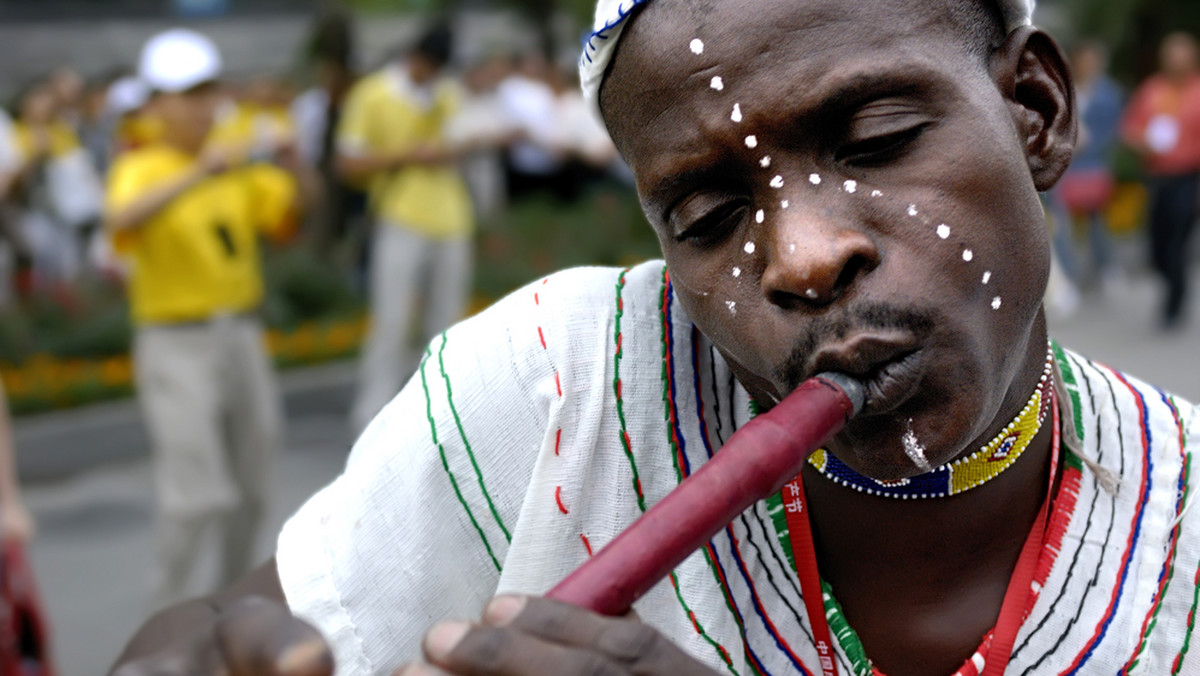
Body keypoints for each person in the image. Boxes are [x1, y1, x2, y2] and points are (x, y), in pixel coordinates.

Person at [111, 1, 1200, 675]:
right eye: (708, 217)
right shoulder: (557, 385)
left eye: (875, 139)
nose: (803, 257)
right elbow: (219, 625)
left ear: (1037, 111)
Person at [103, 28, 314, 610]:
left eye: (207, 91)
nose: (200, 105)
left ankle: (230, 614)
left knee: (251, 487)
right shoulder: (143, 163)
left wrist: (297, 164)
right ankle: (164, 625)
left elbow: (293, 213)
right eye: (185, 93)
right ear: (156, 103)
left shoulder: (234, 155)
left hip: (240, 334)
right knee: (197, 498)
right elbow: (122, 214)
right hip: (175, 341)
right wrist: (203, 169)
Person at [341, 22, 475, 433]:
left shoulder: (449, 93)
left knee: (448, 324)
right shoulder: (373, 94)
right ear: (412, 58)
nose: (430, 75)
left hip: (452, 217)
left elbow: (464, 142)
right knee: (392, 321)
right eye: (426, 67)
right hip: (400, 216)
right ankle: (371, 416)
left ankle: (439, 417)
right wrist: (409, 156)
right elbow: (348, 164)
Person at [1121, 31, 1200, 329]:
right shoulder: (1152, 90)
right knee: (1157, 243)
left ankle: (1174, 305)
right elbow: (1130, 128)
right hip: (1157, 176)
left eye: (1181, 55)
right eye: (1170, 54)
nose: (1175, 61)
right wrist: (1140, 142)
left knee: (1177, 243)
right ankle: (1170, 280)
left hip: (1189, 177)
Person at [1045, 40, 1123, 313]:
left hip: (1093, 166)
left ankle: (1104, 266)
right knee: (1062, 224)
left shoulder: (1109, 94)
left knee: (1097, 222)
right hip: (1066, 168)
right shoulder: (1066, 89)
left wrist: (1089, 144)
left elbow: (1113, 132)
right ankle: (1070, 276)